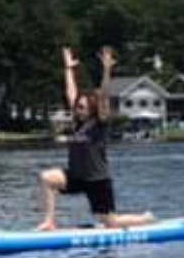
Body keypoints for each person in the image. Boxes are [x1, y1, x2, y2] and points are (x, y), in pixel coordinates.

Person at [37, 46, 155, 231]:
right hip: (77, 176)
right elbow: (71, 93)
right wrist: (68, 68)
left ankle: (145, 219)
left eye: (82, 107)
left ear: (91, 109)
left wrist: (107, 70)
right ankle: (49, 222)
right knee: (47, 178)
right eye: (77, 107)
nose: (77, 109)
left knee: (111, 223)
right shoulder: (77, 123)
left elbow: (104, 96)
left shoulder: (99, 123)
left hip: (97, 180)